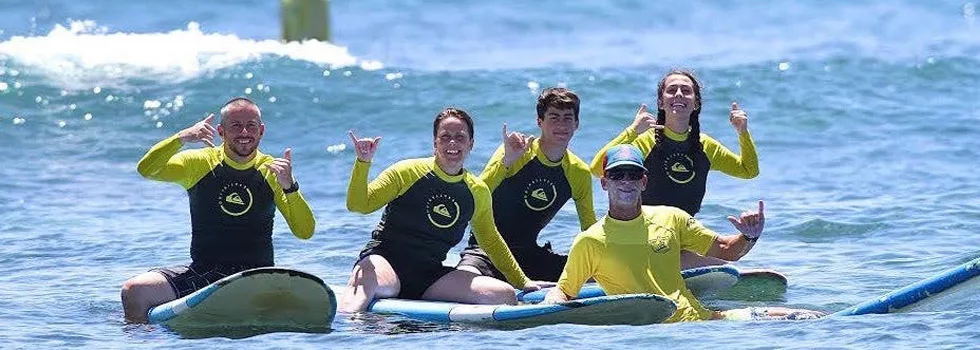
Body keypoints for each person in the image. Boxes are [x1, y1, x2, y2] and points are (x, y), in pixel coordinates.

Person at [545, 145, 824, 322]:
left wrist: (749, 235)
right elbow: (565, 291)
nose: (626, 182)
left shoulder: (672, 218)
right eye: (618, 176)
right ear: (605, 183)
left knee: (801, 317)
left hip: (702, 325)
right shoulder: (590, 241)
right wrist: (549, 307)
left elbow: (727, 252)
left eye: (633, 175)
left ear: (644, 181)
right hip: (645, 337)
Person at [121, 97, 316, 323]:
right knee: (134, 291)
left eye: (251, 125)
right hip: (205, 274)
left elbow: (305, 231)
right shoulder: (200, 163)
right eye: (235, 125)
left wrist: (290, 187)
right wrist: (180, 139)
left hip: (255, 276)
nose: (244, 132)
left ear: (261, 131)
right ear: (221, 131)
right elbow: (147, 170)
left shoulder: (273, 171)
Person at [342, 107, 540, 313]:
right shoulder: (407, 172)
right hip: (385, 263)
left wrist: (523, 282)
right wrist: (363, 162)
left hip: (429, 275)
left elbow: (490, 240)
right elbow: (359, 205)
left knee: (504, 294)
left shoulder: (477, 191)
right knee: (370, 283)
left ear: (471, 144)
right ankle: (342, 328)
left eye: (460, 137)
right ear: (434, 142)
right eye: (445, 137)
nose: (452, 143)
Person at [589, 69, 759, 269]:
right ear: (661, 102)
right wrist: (632, 131)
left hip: (682, 232)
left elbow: (748, 170)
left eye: (686, 91)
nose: (679, 94)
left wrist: (742, 132)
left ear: (695, 103)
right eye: (671, 90)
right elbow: (598, 169)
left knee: (726, 259)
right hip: (643, 233)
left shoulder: (705, 146)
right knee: (722, 266)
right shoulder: (645, 142)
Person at [456, 87, 595, 282]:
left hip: (529, 255)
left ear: (577, 124)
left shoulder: (578, 172)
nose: (561, 125)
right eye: (554, 117)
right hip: (485, 252)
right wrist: (506, 161)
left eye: (567, 118)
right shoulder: (517, 152)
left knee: (595, 275)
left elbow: (589, 229)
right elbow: (475, 194)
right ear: (540, 122)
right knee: (463, 281)